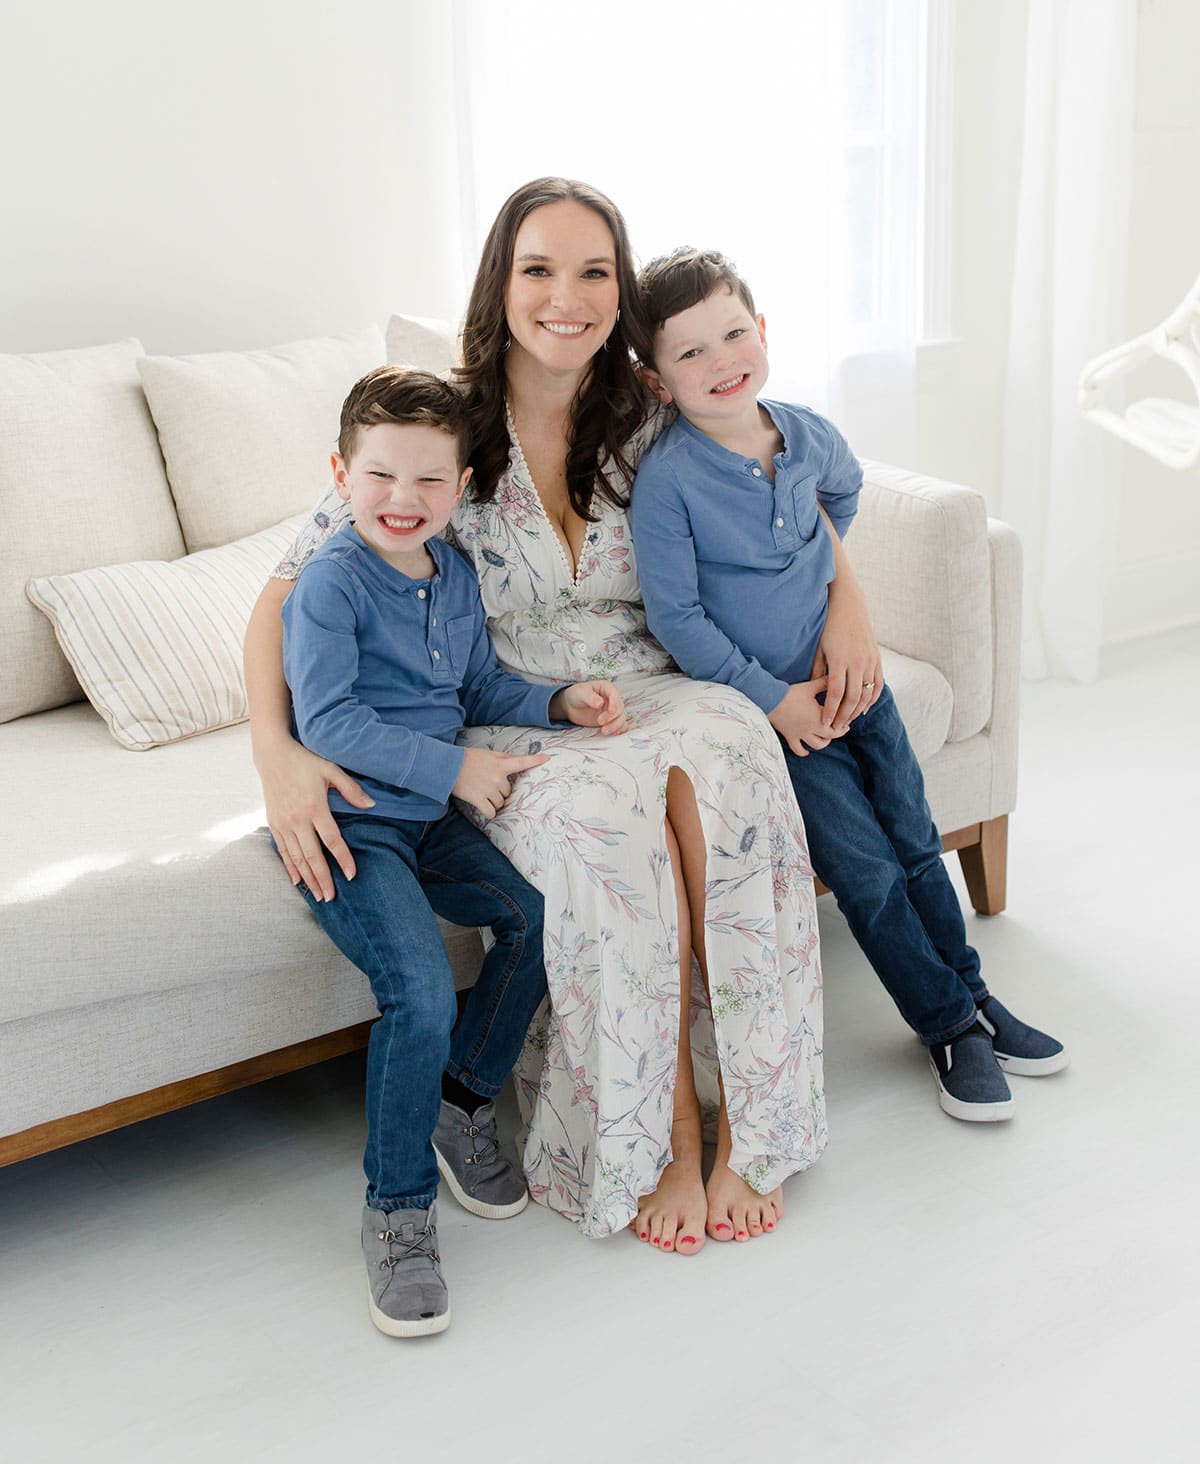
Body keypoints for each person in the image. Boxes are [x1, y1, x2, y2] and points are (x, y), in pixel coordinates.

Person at [247, 179, 854, 1254]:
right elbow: (282, 593)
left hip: (642, 679)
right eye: (539, 269)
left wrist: (850, 608)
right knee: (605, 813)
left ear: (620, 290)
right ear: (502, 280)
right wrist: (279, 758)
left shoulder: (652, 409)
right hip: (499, 705)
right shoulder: (440, 423)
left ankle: (752, 1125)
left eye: (593, 272)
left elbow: (791, 488)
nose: (565, 297)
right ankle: (662, 1139)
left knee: (737, 754)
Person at [629, 247, 1068, 1122]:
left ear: (764, 331)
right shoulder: (669, 483)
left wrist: (841, 614)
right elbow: (677, 622)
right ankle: (944, 1026)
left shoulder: (808, 433)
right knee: (865, 870)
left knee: (916, 839)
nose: (721, 361)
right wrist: (776, 699)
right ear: (654, 380)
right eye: (690, 353)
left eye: (733, 333)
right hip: (788, 716)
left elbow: (845, 498)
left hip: (857, 686)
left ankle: (971, 996)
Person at [280, 364, 625, 1336]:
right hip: (351, 820)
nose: (404, 499)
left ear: (463, 486)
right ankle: (395, 1211)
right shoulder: (330, 583)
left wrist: (557, 703)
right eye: (382, 475)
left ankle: (461, 1099)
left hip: (427, 817)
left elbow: (479, 689)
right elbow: (329, 719)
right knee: (422, 990)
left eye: (430, 480)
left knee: (534, 918)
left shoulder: (457, 577)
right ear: (341, 474)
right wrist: (451, 774)